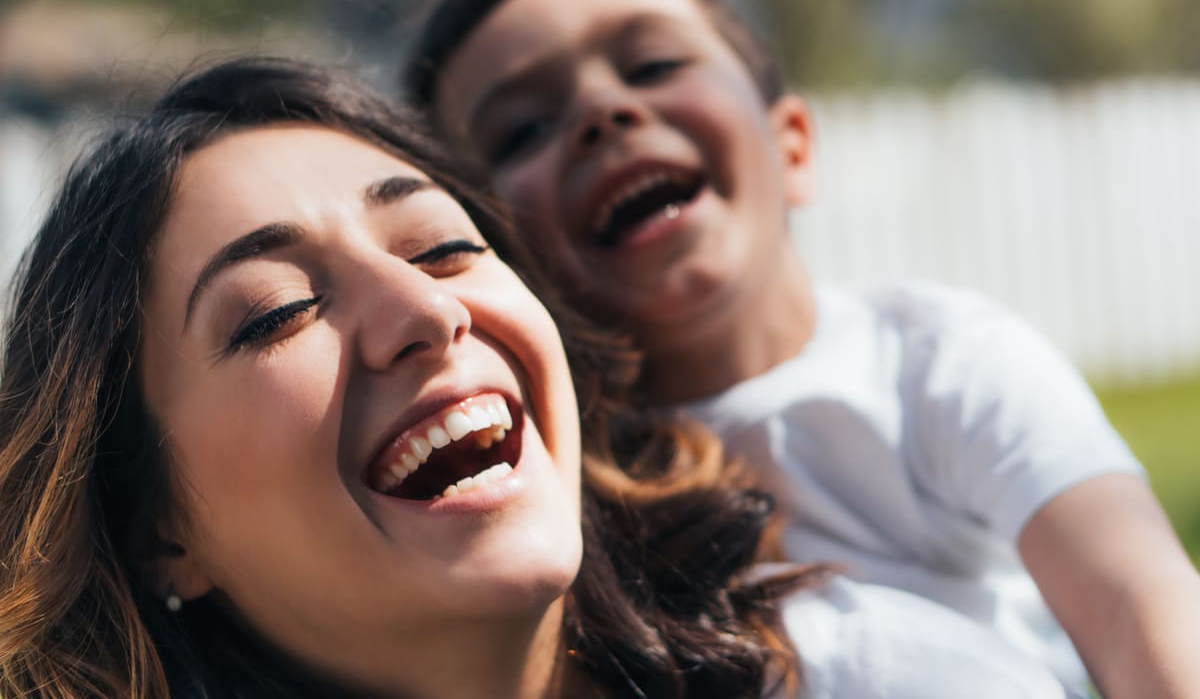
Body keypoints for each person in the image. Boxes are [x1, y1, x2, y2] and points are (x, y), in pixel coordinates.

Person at [0, 57, 1077, 698]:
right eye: (279, 311)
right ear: (154, 528)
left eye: (441, 246)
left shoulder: (867, 673)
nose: (426, 312)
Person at [402, 0, 1200, 698]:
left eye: (651, 64)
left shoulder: (937, 359)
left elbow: (1140, 603)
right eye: (524, 128)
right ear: (491, 258)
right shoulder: (551, 483)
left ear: (791, 147)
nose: (600, 113)